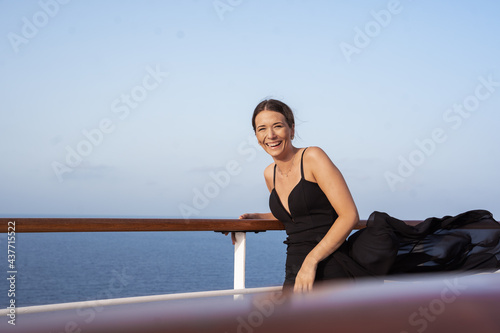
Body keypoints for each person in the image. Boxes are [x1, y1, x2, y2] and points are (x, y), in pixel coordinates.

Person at [237, 98, 500, 294]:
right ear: (256, 136)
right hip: (295, 266)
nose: (270, 135)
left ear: (291, 129)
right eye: (261, 129)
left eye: (277, 126)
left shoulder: (313, 157)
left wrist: (312, 261)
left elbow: (349, 215)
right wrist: (256, 218)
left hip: (328, 262)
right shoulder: (269, 174)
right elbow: (296, 214)